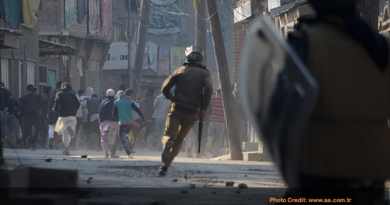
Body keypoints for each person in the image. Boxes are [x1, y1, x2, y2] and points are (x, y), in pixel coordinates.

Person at [273, 0, 388, 202]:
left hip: (318, 173)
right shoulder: (382, 48)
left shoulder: (303, 43)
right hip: (372, 177)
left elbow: (279, 106)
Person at [158, 46, 213, 177]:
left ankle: (167, 142)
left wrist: (172, 99)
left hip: (177, 108)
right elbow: (209, 89)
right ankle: (165, 167)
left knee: (169, 134)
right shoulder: (205, 74)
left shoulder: (180, 71)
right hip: (192, 112)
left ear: (187, 58)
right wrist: (204, 109)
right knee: (180, 138)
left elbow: (164, 88)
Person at [112, 89, 145, 158]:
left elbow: (114, 114)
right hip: (130, 123)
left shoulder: (117, 102)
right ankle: (130, 147)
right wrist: (143, 118)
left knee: (121, 138)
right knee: (134, 134)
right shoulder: (130, 102)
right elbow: (138, 110)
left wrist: (119, 116)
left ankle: (114, 152)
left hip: (122, 123)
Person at [53, 82, 80, 156]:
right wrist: (74, 111)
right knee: (69, 135)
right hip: (72, 116)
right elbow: (78, 104)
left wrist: (54, 109)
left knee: (60, 129)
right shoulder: (73, 94)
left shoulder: (59, 93)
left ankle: (59, 136)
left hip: (63, 115)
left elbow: (56, 102)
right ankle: (67, 150)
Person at [99, 89, 119, 158]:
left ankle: (106, 152)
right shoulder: (116, 102)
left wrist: (101, 120)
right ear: (113, 94)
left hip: (105, 122)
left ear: (106, 94)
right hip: (114, 122)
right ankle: (111, 133)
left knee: (104, 138)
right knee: (112, 140)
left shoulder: (103, 102)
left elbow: (100, 112)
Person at [206, 89, 226, 158]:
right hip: (221, 121)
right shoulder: (224, 100)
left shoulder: (213, 98)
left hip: (212, 120)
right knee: (219, 139)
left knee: (210, 134)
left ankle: (210, 138)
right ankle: (215, 153)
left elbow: (208, 109)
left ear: (216, 93)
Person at [46, 82, 62, 149]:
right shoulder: (61, 91)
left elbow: (47, 100)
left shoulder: (51, 91)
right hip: (58, 111)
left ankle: (51, 137)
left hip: (50, 111)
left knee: (51, 126)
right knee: (60, 126)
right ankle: (58, 140)